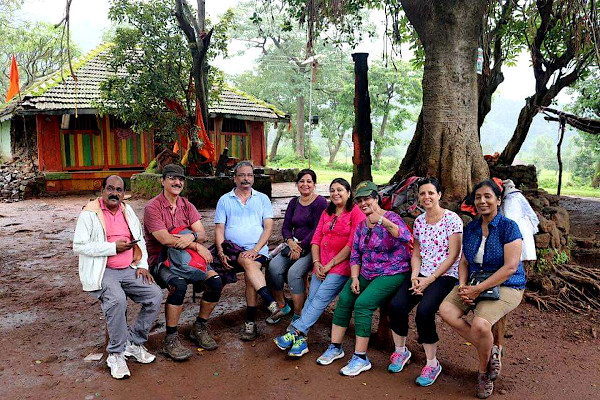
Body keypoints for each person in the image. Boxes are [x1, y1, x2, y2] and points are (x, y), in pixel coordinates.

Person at [439, 180, 525, 399]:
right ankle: (492, 350)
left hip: (507, 284)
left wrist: (477, 291)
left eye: (488, 196)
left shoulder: (509, 227)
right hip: (475, 282)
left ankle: (483, 371)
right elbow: (464, 262)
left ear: (498, 200)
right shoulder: (472, 228)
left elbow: (510, 267)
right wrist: (463, 286)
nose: (482, 201)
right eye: (478, 197)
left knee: (480, 323)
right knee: (446, 310)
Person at [317, 181, 413, 376]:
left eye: (367, 198)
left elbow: (405, 237)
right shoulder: (361, 225)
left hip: (392, 272)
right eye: (359, 200)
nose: (363, 203)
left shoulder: (392, 217)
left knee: (363, 304)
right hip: (366, 272)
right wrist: (354, 277)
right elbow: (355, 254)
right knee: (344, 299)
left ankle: (361, 357)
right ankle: (335, 347)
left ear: (376, 198)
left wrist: (382, 220)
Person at [74, 175, 163, 379]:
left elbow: (138, 240)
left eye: (119, 190)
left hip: (128, 268)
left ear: (124, 193)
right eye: (111, 189)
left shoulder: (127, 210)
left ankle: (134, 343)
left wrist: (141, 265)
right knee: (117, 300)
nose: (115, 193)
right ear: (102, 190)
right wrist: (112, 248)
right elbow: (79, 245)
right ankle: (115, 353)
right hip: (104, 270)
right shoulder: (90, 213)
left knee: (154, 294)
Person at [274, 178, 365, 357]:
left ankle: (294, 331)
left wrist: (329, 265)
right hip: (321, 264)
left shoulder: (355, 213)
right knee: (312, 299)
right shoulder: (327, 212)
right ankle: (300, 342)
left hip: (341, 267)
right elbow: (316, 239)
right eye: (332, 190)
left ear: (348, 192)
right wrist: (316, 263)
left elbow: (350, 245)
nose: (336, 193)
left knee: (320, 299)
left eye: (340, 190)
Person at [388, 177, 463, 386]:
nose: (426, 197)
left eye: (431, 192)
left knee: (424, 312)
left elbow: (453, 256)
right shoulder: (420, 221)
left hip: (444, 275)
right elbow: (417, 254)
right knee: (397, 307)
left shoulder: (452, 219)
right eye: (422, 193)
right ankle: (401, 351)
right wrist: (414, 275)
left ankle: (432, 363)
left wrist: (429, 279)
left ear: (439, 195)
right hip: (421, 273)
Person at [144, 164, 223, 361]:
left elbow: (202, 233)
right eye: (172, 178)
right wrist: (195, 245)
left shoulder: (187, 205)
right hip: (162, 261)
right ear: (162, 181)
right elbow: (164, 239)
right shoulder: (152, 207)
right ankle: (170, 338)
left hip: (189, 260)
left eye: (180, 179)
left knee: (215, 282)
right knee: (178, 285)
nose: (177, 182)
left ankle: (199, 326)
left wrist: (194, 237)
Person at [214, 161, 283, 341]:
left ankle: (251, 322)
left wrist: (255, 249)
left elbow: (268, 227)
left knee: (249, 267)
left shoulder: (262, 199)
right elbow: (219, 230)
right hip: (232, 249)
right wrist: (221, 251)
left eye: (250, 175)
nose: (246, 178)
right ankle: (270, 304)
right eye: (242, 175)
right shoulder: (224, 200)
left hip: (258, 248)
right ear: (235, 178)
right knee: (247, 262)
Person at [267, 169, 327, 324]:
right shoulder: (294, 202)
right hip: (293, 245)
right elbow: (286, 226)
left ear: (314, 184)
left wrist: (300, 247)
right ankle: (282, 305)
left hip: (311, 247)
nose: (305, 184)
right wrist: (291, 242)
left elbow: (317, 229)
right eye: (302, 181)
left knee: (294, 273)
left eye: (309, 181)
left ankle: (298, 313)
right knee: (273, 267)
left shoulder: (320, 202)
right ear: (297, 184)